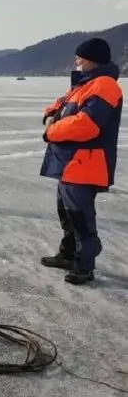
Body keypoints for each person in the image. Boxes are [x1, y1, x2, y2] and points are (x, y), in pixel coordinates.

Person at [39, 37, 122, 285]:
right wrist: (50, 116)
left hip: (85, 164)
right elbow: (57, 106)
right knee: (66, 214)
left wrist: (51, 132)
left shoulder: (105, 86)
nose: (76, 62)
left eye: (80, 58)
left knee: (80, 218)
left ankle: (84, 266)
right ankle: (68, 255)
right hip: (69, 164)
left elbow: (87, 125)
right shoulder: (84, 85)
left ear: (91, 60)